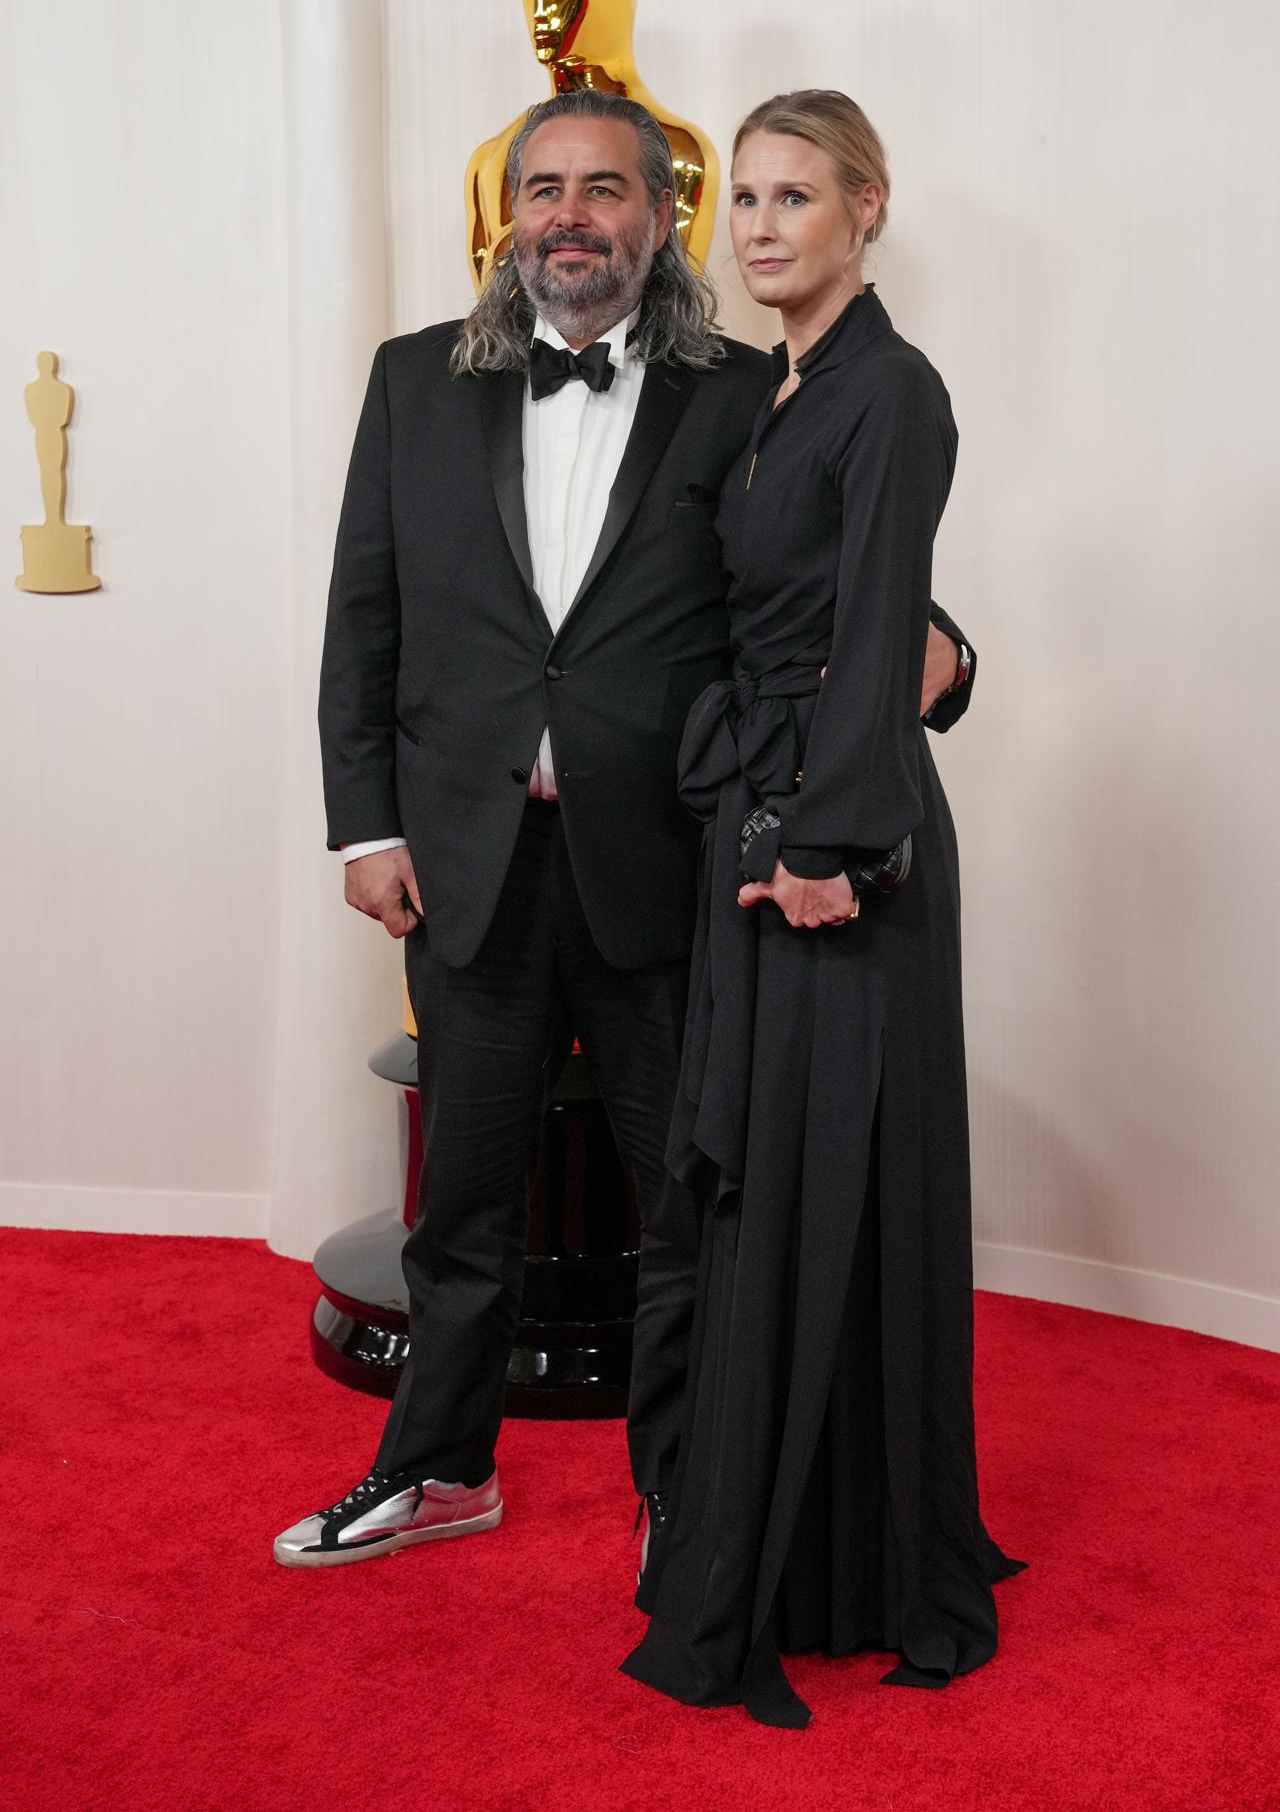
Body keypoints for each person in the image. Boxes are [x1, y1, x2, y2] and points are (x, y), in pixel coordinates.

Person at [273, 90, 974, 1571]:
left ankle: (682, 1496)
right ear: (507, 214)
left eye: (606, 188)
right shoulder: (412, 382)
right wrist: (362, 831)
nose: (571, 214)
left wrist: (948, 652)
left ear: (663, 218)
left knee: (684, 1208)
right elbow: (364, 620)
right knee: (459, 1201)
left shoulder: (742, 388)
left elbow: (812, 580)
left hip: (668, 860)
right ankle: (439, 1469)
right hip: (466, 862)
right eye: (545, 187)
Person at [622, 91, 1023, 1726]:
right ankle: (796, 1552)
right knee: (762, 1192)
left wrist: (830, 844)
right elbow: (841, 609)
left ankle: (845, 1561)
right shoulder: (775, 391)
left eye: (800, 198)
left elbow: (872, 625)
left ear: (869, 211)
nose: (764, 226)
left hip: (829, 859)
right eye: (750, 201)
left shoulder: (895, 392)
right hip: (758, 824)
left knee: (825, 1185)